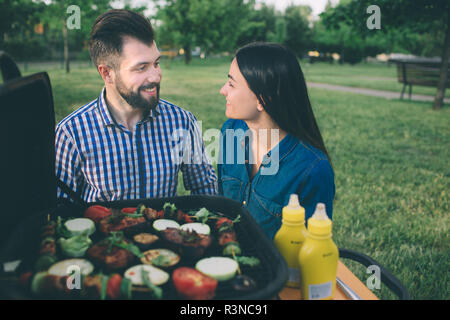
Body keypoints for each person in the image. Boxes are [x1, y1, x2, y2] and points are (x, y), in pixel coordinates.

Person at [55, 9, 216, 203]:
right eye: (141, 68)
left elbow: (205, 190)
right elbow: (59, 211)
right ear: (107, 73)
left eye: (156, 63)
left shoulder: (182, 122)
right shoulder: (70, 134)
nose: (156, 76)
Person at [218, 42, 335, 239]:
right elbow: (221, 206)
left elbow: (312, 245)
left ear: (262, 100)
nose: (223, 90)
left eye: (231, 83)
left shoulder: (312, 169)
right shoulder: (230, 131)